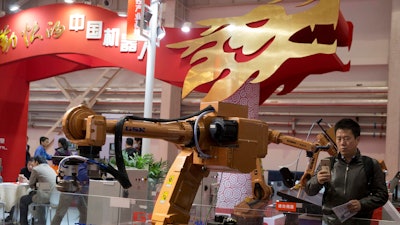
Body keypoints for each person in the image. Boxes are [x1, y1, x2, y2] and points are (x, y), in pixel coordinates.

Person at [305, 118, 388, 225]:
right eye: (339, 139)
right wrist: (317, 181)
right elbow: (309, 191)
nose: (342, 143)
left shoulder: (370, 165)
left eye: (347, 138)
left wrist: (361, 204)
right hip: (330, 222)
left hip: (359, 222)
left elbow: (382, 195)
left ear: (357, 140)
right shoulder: (328, 163)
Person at [19, 156, 57, 225]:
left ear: (36, 162)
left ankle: (23, 223)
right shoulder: (50, 168)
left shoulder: (36, 169)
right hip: (54, 197)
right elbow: (47, 186)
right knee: (32, 195)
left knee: (23, 199)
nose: (32, 165)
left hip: (44, 197)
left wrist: (27, 181)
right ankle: (39, 221)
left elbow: (31, 185)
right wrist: (36, 184)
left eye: (33, 162)